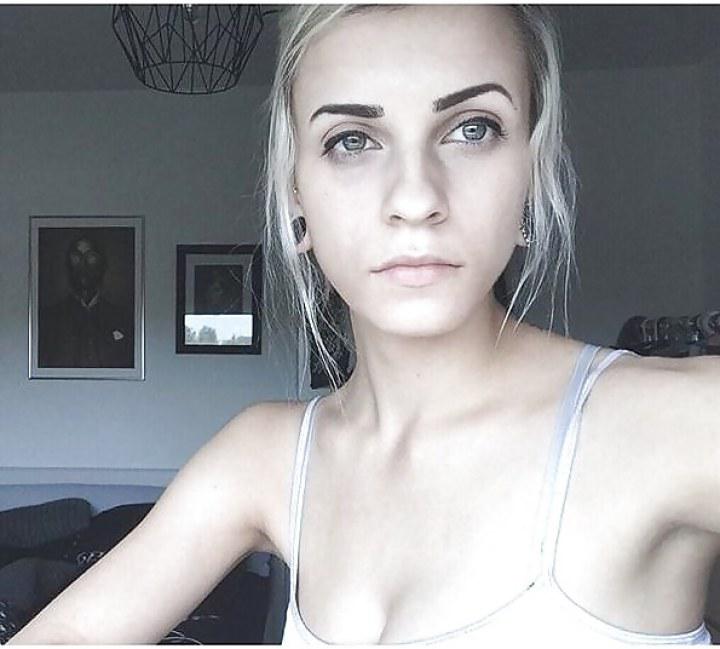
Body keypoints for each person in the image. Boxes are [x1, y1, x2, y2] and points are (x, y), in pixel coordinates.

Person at [11, 5, 719, 646]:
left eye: (472, 129)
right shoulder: (264, 456)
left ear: (531, 171)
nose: (415, 198)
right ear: (297, 193)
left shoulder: (670, 420)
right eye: (352, 140)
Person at [38, 234, 134, 368]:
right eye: (77, 256)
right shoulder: (49, 319)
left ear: (102, 264)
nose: (83, 264)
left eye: (90, 256)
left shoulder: (122, 318)